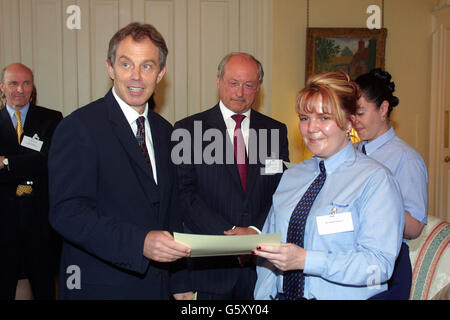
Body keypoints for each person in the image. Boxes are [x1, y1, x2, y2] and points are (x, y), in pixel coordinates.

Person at [48, 22, 192, 300]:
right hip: (99, 288)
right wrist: (139, 243)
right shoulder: (79, 127)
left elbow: (172, 211)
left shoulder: (167, 132)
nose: (136, 76)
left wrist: (179, 281)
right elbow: (67, 213)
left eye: (147, 66)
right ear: (110, 68)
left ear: (160, 73)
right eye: (126, 64)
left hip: (159, 288)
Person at [253, 71, 405, 300]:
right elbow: (269, 251)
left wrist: (306, 260)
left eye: (324, 118)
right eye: (304, 118)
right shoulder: (292, 176)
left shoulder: (375, 180)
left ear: (348, 122)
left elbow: (378, 266)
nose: (311, 128)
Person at [174, 52, 289, 299]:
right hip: (209, 271)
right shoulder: (188, 130)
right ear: (219, 82)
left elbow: (280, 190)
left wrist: (255, 231)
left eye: (249, 85)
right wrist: (232, 235)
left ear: (258, 87)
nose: (240, 92)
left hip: (261, 271)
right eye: (233, 83)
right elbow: (185, 195)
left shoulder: (275, 131)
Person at [353, 68, 428, 299]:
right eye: (350, 113)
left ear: (383, 109)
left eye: (360, 113)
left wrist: (380, 204)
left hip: (389, 264)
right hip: (354, 260)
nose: (354, 121)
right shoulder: (352, 152)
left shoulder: (406, 158)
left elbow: (415, 227)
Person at [0, 63, 63, 300]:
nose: (20, 89)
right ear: (2, 88)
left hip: (40, 222)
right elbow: (35, 163)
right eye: (13, 83)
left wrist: (6, 163)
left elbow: (49, 161)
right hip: (3, 223)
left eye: (26, 83)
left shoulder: (51, 119)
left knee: (45, 286)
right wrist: (28, 165)